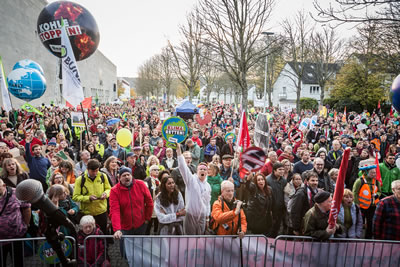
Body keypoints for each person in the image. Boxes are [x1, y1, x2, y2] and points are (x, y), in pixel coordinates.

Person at [176, 141, 211, 235]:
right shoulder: (191, 180)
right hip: (190, 214)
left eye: (205, 169)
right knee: (189, 240)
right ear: (197, 171)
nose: (203, 171)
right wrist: (178, 151)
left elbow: (207, 202)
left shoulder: (208, 186)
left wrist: (207, 218)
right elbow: (182, 168)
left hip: (202, 216)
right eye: (201, 169)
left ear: (207, 172)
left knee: (200, 240)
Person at [110, 167, 153, 239]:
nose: (127, 177)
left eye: (128, 175)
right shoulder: (114, 190)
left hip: (141, 224)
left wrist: (147, 218)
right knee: (125, 249)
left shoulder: (141, 184)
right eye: (124, 175)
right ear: (119, 178)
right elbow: (114, 210)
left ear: (131, 176)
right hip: (124, 227)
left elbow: (149, 202)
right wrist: (117, 229)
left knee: (140, 247)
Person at [73, 159, 111, 236]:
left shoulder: (103, 176)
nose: (95, 173)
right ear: (87, 169)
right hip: (87, 213)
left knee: (102, 233)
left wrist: (105, 194)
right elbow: (75, 197)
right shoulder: (80, 180)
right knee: (88, 235)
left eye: (97, 171)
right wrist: (88, 198)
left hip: (101, 211)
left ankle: (103, 247)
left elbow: (109, 189)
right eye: (93, 171)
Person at [0, 178, 31, 267]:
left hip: (16, 236)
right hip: (0, 240)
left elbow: (27, 208)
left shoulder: (16, 193)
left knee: (18, 261)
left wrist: (26, 225)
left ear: (4, 186)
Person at [352, 159, 381, 239]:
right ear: (367, 172)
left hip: (372, 206)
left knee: (371, 222)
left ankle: (368, 237)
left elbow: (379, 191)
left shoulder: (376, 182)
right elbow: (354, 193)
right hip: (361, 206)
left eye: (375, 172)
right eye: (372, 172)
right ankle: (358, 237)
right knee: (360, 222)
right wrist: (357, 203)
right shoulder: (359, 181)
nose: (374, 174)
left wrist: (377, 195)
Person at [289, 171, 319, 235]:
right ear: (306, 181)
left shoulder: (317, 192)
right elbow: (295, 211)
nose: (315, 183)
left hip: (313, 226)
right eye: (312, 180)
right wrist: (296, 229)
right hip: (302, 226)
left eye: (316, 181)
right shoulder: (301, 193)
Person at [267, 162, 287, 237]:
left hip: (280, 209)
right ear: (274, 171)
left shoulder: (284, 181)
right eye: (280, 169)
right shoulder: (267, 180)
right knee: (270, 229)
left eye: (283, 169)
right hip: (271, 209)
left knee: (277, 228)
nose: (282, 171)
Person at [144, 165, 161, 235]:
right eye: (155, 170)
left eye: (158, 170)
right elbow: (145, 193)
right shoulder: (147, 180)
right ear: (150, 172)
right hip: (150, 205)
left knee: (157, 223)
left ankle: (156, 236)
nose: (157, 171)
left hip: (159, 205)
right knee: (149, 224)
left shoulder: (160, 180)